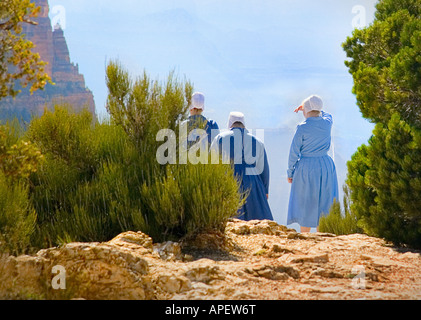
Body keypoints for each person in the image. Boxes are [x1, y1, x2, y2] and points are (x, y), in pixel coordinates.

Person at [287, 95, 339, 233]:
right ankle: (322, 234)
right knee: (326, 202)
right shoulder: (327, 122)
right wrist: (310, 106)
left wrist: (290, 172)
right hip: (326, 165)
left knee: (306, 202)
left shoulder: (302, 128)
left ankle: (305, 236)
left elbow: (294, 152)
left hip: (306, 167)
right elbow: (327, 114)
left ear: (306, 110)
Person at [211, 112, 273, 221]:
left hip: (229, 177)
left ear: (230, 123)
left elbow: (212, 163)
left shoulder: (220, 138)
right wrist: (265, 190)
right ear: (243, 123)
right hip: (252, 180)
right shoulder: (257, 141)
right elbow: (263, 169)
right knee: (256, 218)